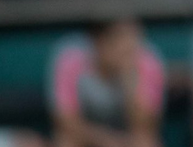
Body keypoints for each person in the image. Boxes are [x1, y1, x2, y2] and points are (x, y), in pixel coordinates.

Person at [48, 17, 165, 147]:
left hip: (127, 137)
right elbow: (66, 122)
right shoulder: (71, 57)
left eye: (134, 37)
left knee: (146, 143)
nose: (129, 45)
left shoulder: (147, 60)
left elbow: (145, 128)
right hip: (89, 136)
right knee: (65, 142)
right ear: (99, 41)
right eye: (119, 38)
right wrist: (106, 140)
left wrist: (130, 82)